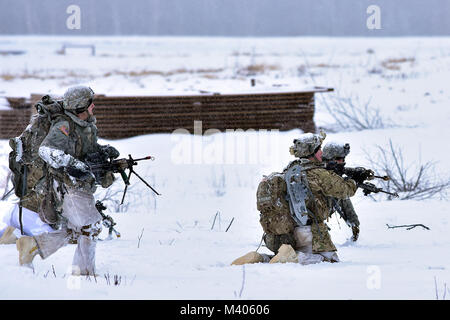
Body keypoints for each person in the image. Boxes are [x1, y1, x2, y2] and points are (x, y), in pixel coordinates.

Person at [16, 85, 118, 276]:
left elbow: (84, 152)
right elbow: (46, 151)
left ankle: (32, 246)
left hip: (79, 186)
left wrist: (104, 154)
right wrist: (73, 165)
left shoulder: (86, 126)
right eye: (90, 103)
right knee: (90, 226)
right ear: (80, 107)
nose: (93, 106)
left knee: (78, 230)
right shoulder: (64, 126)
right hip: (67, 186)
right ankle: (84, 273)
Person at [232, 131, 358, 265]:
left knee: (285, 255)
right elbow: (345, 190)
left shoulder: (290, 171)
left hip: (284, 232)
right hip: (307, 232)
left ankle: (261, 258)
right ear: (311, 152)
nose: (322, 152)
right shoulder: (319, 173)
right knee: (329, 260)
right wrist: (355, 180)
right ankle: (293, 258)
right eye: (319, 149)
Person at [322, 142, 360, 241]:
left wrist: (354, 224)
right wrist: (353, 181)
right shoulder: (322, 175)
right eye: (339, 159)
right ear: (330, 159)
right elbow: (343, 192)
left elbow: (344, 198)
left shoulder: (329, 172)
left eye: (343, 159)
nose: (342, 162)